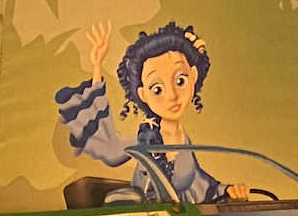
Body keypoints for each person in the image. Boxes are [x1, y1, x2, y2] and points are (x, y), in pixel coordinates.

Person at [56, 21, 251, 204]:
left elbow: (200, 184)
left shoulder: (184, 140)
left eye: (180, 81)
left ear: (193, 75)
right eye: (157, 89)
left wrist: (228, 190)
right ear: (143, 94)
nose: (172, 96)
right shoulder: (146, 138)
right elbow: (111, 147)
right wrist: (97, 67)